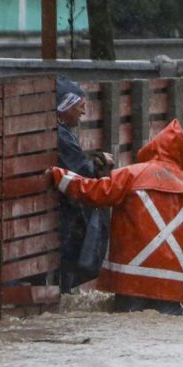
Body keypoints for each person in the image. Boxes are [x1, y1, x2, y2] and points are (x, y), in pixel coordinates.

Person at [47, 119, 183, 315]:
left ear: (154, 147)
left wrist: (59, 176)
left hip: (129, 282)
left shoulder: (131, 175)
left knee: (128, 324)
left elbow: (93, 192)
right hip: (172, 287)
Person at [55, 75, 115, 293]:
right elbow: (80, 170)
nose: (83, 112)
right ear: (65, 106)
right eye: (79, 106)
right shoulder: (61, 136)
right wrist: (99, 164)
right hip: (64, 216)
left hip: (64, 215)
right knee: (71, 261)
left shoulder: (63, 132)